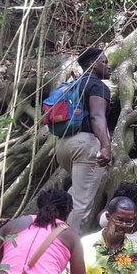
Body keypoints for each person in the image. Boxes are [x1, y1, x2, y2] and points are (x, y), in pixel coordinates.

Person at [56, 47, 112, 232]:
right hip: (85, 145)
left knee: (75, 194)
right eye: (104, 62)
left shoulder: (73, 85)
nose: (108, 66)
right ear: (92, 65)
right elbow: (97, 116)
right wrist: (105, 146)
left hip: (63, 145)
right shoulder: (97, 86)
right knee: (81, 204)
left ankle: (53, 234)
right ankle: (65, 248)